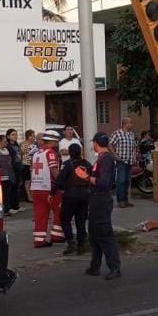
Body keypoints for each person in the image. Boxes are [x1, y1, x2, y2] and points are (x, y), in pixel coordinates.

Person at [85, 132, 122, 279]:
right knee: (94, 234)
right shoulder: (101, 158)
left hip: (101, 200)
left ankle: (114, 268)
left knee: (105, 235)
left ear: (96, 143)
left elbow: (104, 182)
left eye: (93, 142)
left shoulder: (105, 158)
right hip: (95, 199)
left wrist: (87, 177)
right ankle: (95, 266)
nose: (92, 145)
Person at [29, 129, 66, 248]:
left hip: (36, 188)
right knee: (59, 211)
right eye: (57, 141)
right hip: (49, 188)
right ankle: (57, 236)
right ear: (53, 141)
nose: (58, 143)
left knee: (40, 214)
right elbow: (54, 170)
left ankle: (39, 240)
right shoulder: (50, 152)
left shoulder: (36, 153)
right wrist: (62, 184)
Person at [54, 143, 91, 256]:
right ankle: (81, 246)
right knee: (80, 221)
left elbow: (59, 181)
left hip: (71, 195)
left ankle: (71, 242)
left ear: (70, 153)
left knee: (65, 219)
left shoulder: (68, 164)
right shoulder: (87, 164)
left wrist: (52, 193)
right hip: (85, 194)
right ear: (80, 152)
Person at [109, 117, 138, 209]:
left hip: (129, 161)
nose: (132, 125)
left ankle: (125, 200)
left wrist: (134, 156)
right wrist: (115, 155)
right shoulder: (117, 133)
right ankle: (120, 200)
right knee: (121, 181)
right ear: (125, 123)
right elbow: (110, 144)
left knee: (127, 181)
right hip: (121, 161)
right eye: (131, 123)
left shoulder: (131, 134)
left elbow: (134, 147)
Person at [0, 133, 17, 215]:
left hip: (8, 175)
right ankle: (0, 211)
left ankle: (7, 209)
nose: (6, 143)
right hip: (0, 176)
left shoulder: (6, 151)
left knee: (7, 194)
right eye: (4, 141)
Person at [5, 129, 23, 213]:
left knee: (16, 188)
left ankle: (16, 206)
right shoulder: (7, 146)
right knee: (11, 188)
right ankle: (10, 207)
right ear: (8, 136)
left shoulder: (17, 145)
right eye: (13, 135)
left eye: (16, 134)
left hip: (18, 167)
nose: (15, 136)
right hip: (12, 169)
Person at [20, 129, 37, 203]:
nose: (33, 137)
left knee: (32, 181)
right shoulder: (24, 144)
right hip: (26, 164)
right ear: (27, 136)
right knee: (27, 181)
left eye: (34, 136)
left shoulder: (34, 144)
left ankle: (32, 195)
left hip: (34, 164)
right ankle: (28, 197)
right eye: (31, 136)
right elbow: (22, 153)